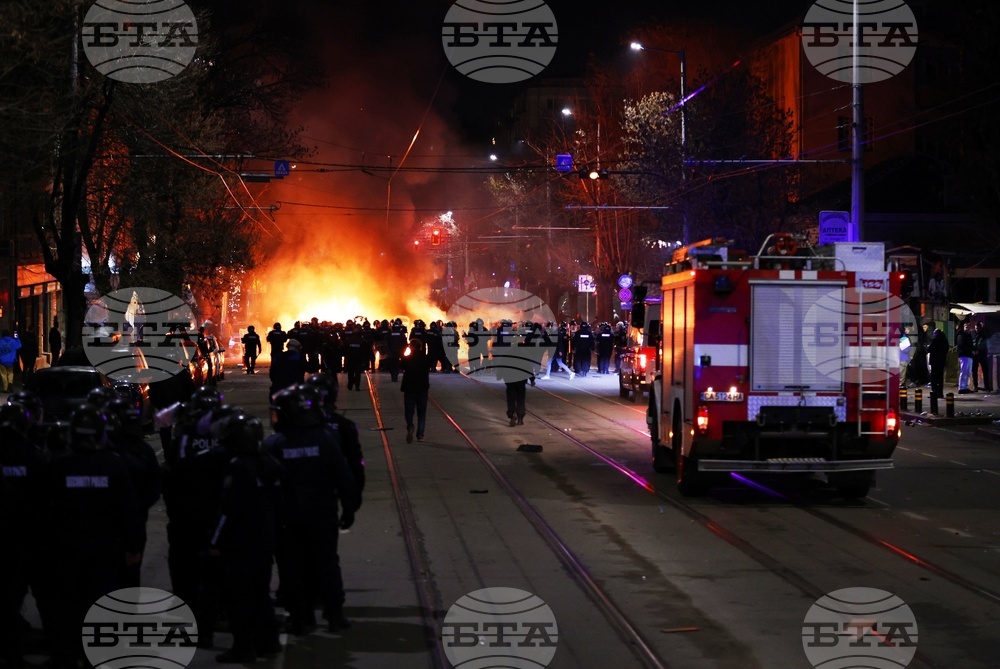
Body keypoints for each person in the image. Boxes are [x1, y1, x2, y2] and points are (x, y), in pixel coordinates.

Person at [43, 405, 144, 669]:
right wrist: (133, 545)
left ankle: (65, 655)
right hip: (104, 550)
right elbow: (129, 510)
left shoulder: (57, 465)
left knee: (66, 605)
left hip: (66, 549)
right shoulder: (114, 465)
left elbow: (42, 509)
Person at [265, 387, 360, 634]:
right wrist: (349, 509)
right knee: (327, 563)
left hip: (288, 519)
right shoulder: (324, 438)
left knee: (294, 569)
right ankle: (334, 615)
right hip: (322, 513)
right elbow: (344, 476)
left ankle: (300, 618)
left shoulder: (274, 444)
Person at [210, 412, 283, 663]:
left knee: (238, 597)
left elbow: (228, 510)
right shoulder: (270, 463)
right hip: (265, 539)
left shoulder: (238, 467)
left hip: (242, 542)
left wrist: (216, 543)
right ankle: (269, 640)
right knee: (261, 592)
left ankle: (244, 646)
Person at [400, 337, 430, 443]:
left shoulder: (407, 358)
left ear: (411, 347)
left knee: (409, 411)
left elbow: (401, 365)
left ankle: (410, 426)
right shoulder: (426, 358)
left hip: (409, 388)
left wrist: (405, 350)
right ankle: (420, 435)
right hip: (422, 388)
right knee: (421, 413)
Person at [928, 327, 949, 404]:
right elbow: (946, 350)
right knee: (940, 377)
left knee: (934, 377)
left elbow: (929, 349)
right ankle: (940, 392)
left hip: (934, 362)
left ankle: (934, 392)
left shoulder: (935, 340)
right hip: (941, 361)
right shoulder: (945, 341)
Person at [973, 320, 993, 393]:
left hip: (982, 354)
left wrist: (984, 328)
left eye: (978, 328)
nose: (977, 330)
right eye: (976, 328)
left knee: (985, 370)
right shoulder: (973, 334)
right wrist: (973, 350)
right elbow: (972, 343)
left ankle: (987, 386)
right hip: (975, 355)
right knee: (974, 371)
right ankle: (975, 386)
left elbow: (988, 335)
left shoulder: (984, 333)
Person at [956, 321, 974, 394]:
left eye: (968, 327)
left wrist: (973, 349)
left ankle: (965, 387)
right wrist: (971, 350)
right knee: (964, 371)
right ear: (964, 327)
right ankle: (961, 387)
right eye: (966, 327)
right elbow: (963, 345)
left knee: (967, 372)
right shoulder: (962, 336)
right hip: (964, 355)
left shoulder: (968, 335)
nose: (967, 328)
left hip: (968, 355)